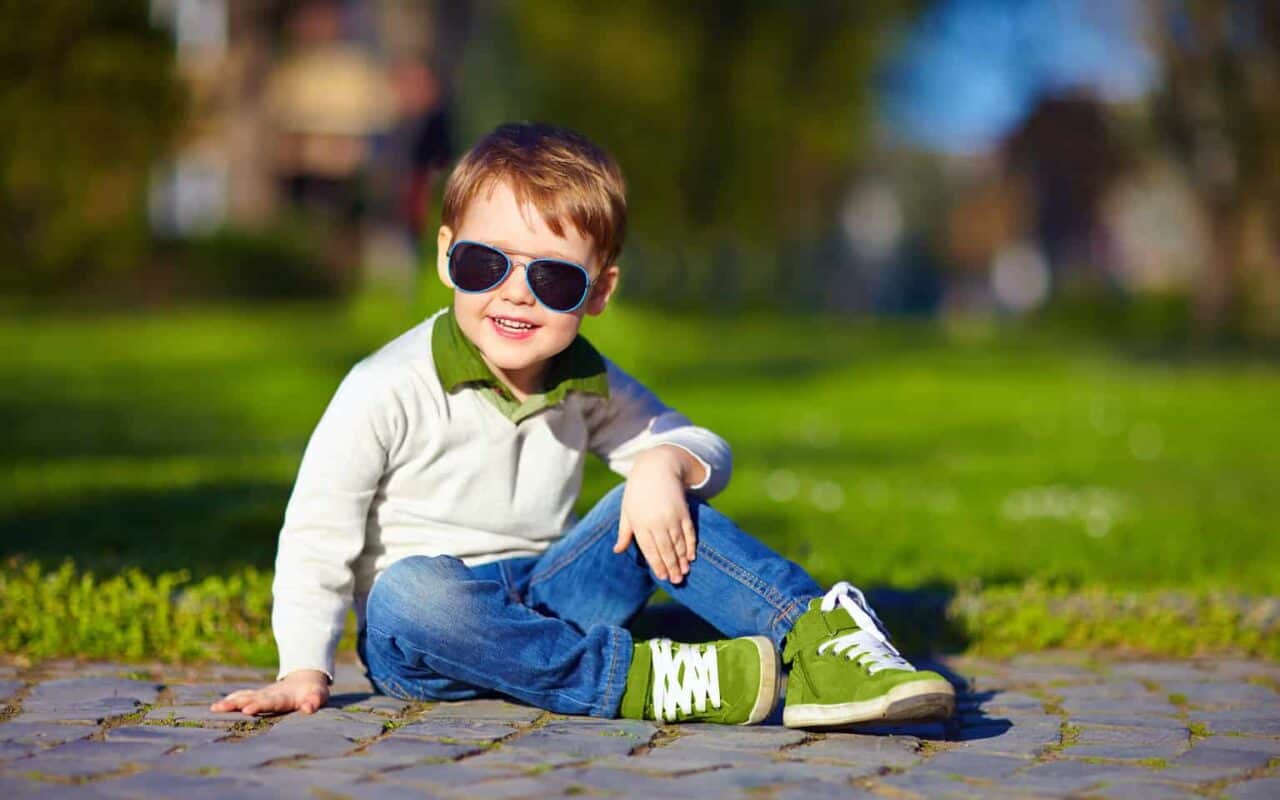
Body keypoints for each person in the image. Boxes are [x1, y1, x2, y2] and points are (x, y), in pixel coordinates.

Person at [212, 123, 955, 727]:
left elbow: (703, 447)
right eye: (485, 264)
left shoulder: (584, 381)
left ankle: (823, 642)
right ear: (445, 258)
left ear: (598, 292)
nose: (515, 295)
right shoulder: (384, 387)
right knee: (410, 593)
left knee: (663, 496)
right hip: (428, 639)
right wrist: (303, 667)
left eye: (554, 277)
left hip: (547, 594)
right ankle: (644, 680)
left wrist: (663, 467)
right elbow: (317, 531)